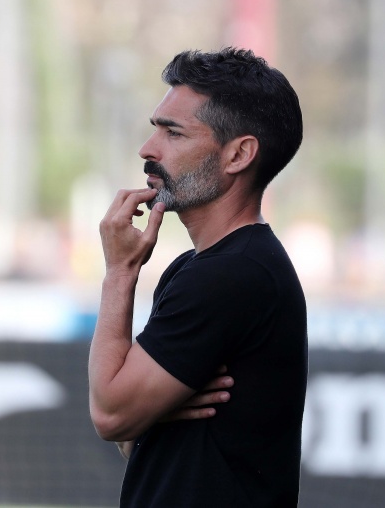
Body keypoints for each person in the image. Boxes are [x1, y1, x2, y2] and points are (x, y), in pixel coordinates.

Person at [88, 47, 307, 507]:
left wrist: (120, 272)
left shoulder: (233, 274)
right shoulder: (197, 267)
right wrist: (146, 413)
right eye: (156, 129)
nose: (148, 150)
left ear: (238, 155)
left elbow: (111, 415)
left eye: (173, 133)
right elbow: (130, 436)